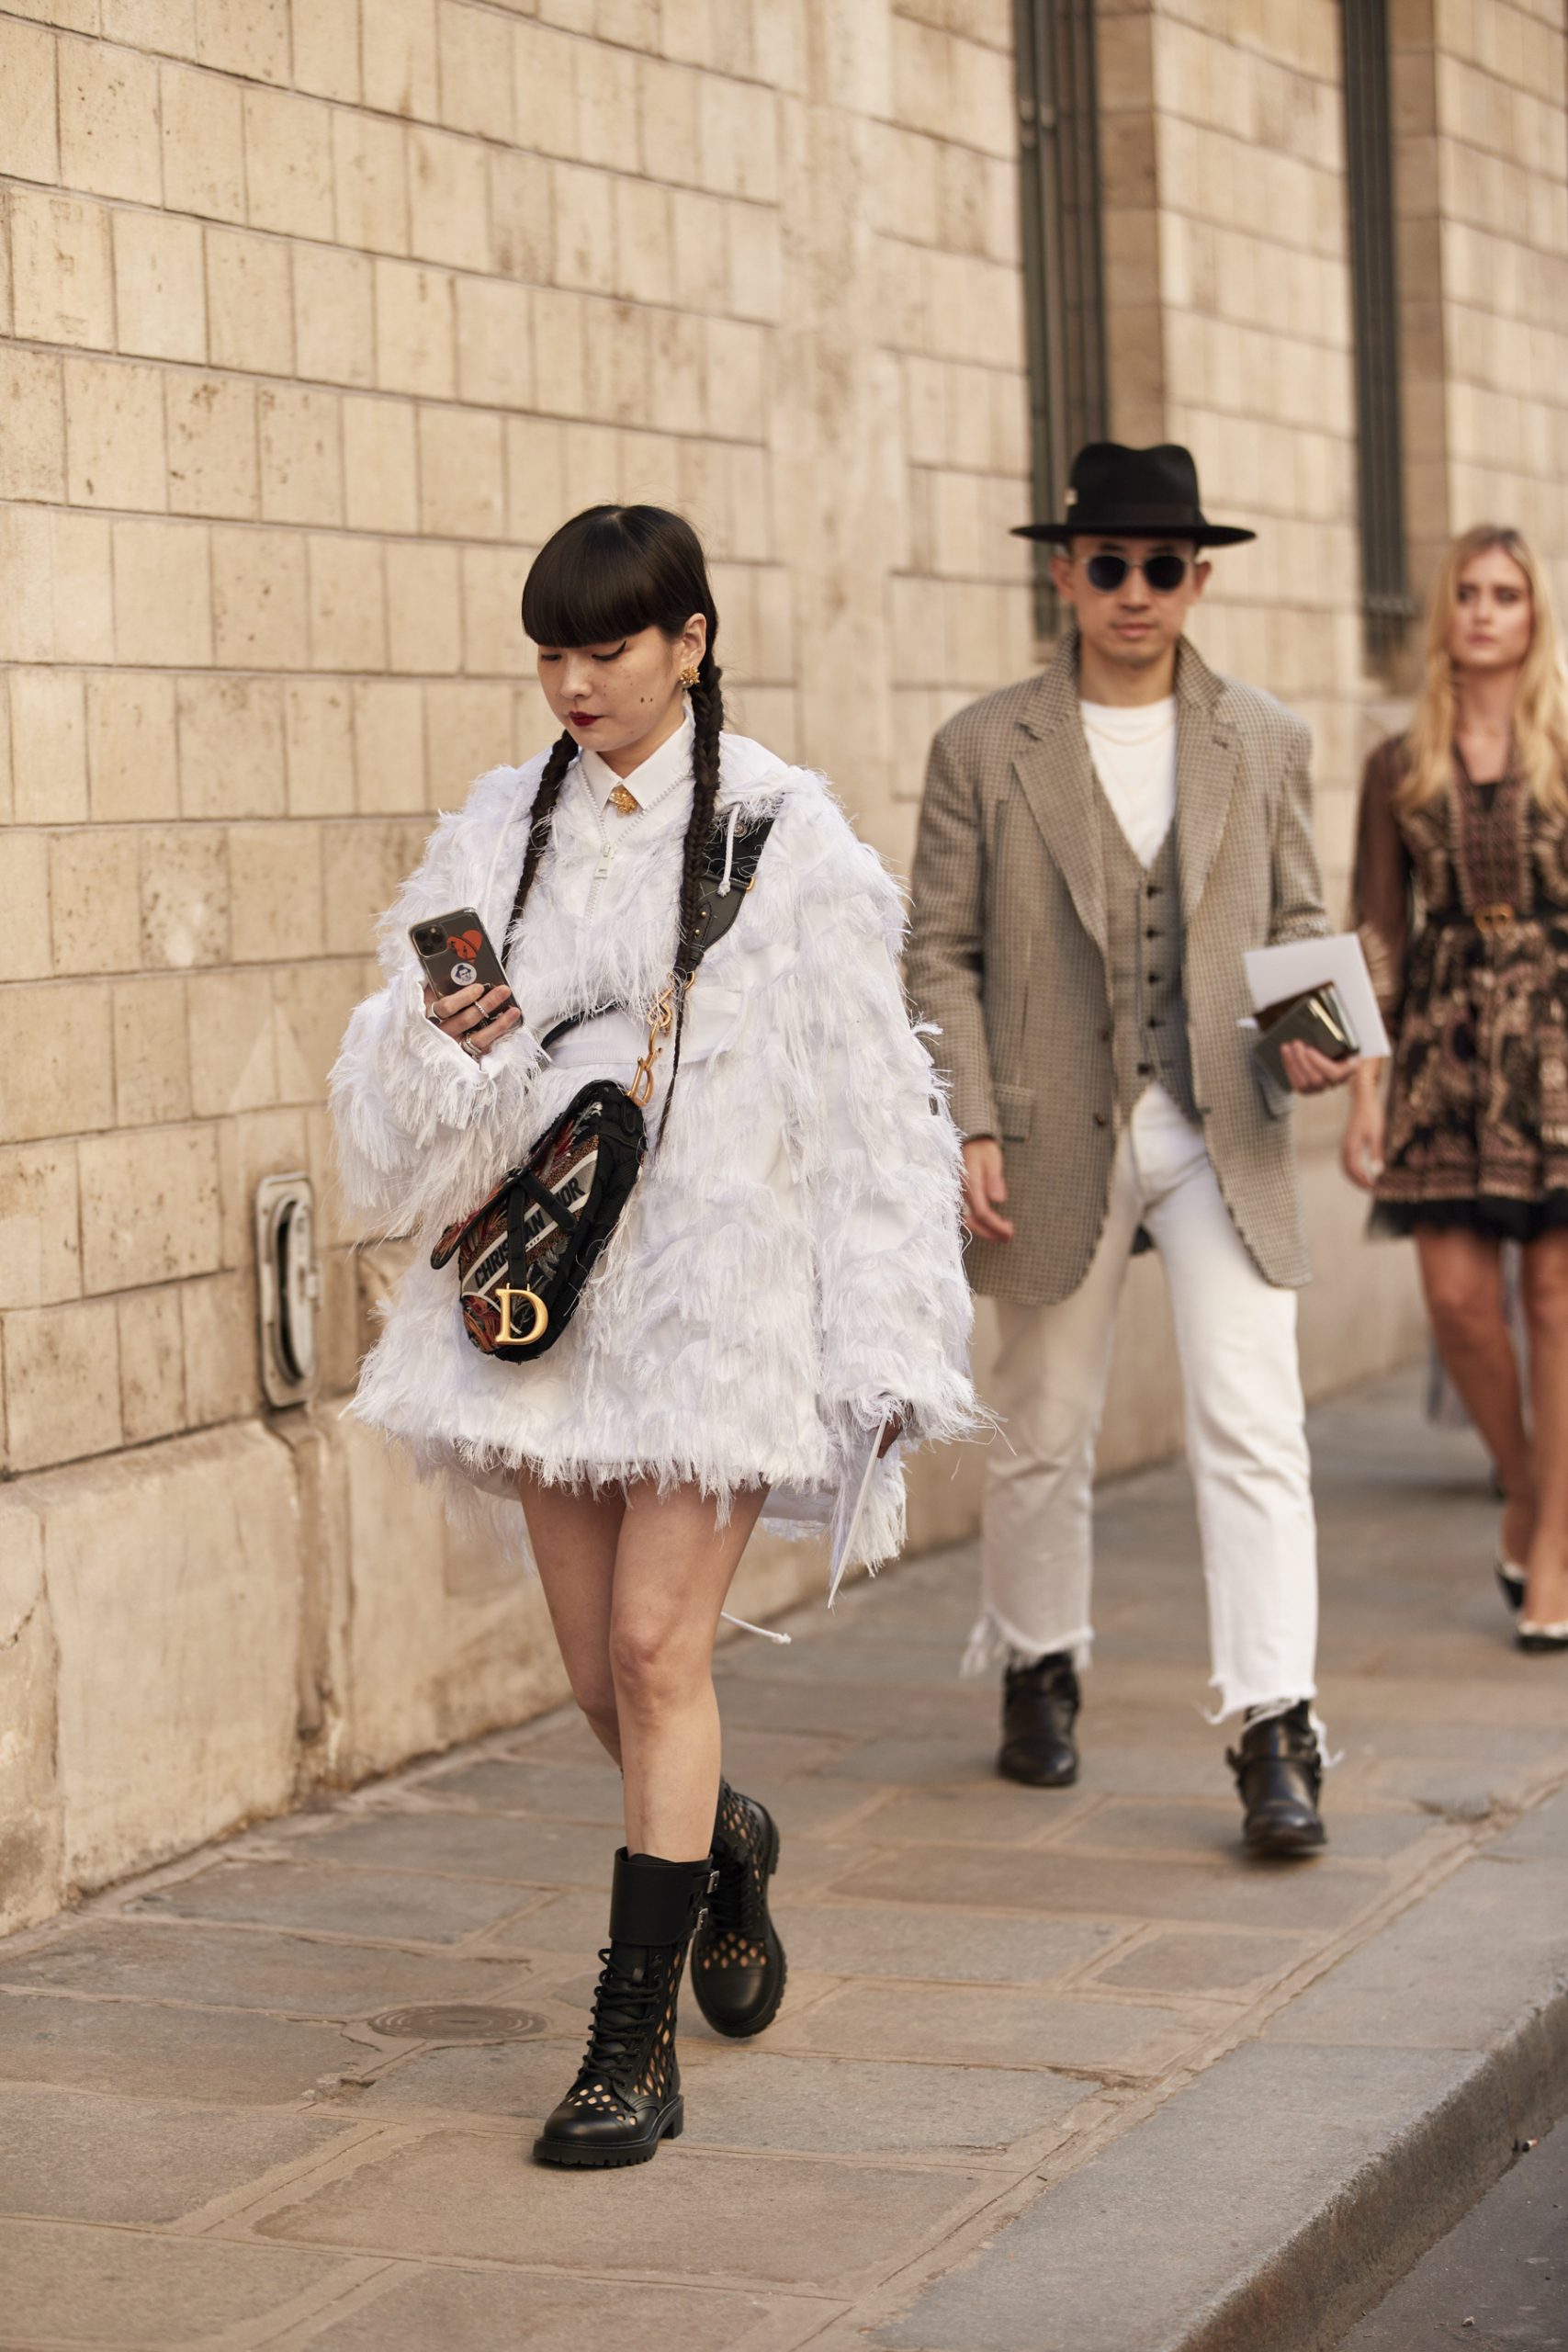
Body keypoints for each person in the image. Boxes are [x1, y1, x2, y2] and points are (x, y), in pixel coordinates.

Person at [331, 505, 974, 2165]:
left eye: (604, 648)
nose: (572, 682)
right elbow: (404, 1131)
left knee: (650, 1654)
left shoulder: (789, 834)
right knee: (598, 1688)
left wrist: (885, 1334)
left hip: (724, 1304)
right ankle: (724, 1837)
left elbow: (872, 1101)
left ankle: (629, 2051)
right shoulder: (502, 826)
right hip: (550, 1306)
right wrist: (446, 1047)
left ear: (688, 640)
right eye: (549, 651)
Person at [907, 442, 1353, 1857]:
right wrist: (965, 1114)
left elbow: (1296, 926)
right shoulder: (982, 746)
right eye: (1108, 564)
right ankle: (1038, 1661)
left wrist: (1316, 1032)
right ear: (1063, 573)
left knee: (1253, 1421)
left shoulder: (1266, 738)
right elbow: (937, 954)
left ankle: (1274, 1729)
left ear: (1197, 578)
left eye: (1163, 567)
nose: (1135, 591)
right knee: (1042, 1419)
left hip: (1220, 1114)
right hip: (1050, 1124)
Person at [1342, 523, 1568, 1654]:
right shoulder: (1399, 761)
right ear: (1447, 615)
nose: (1485, 611)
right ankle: (1527, 1484)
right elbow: (1375, 931)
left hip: (1561, 1033)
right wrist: (1366, 1092)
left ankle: (1556, 1545)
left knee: (1556, 1303)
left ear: (1534, 617)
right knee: (1461, 1303)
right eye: (1469, 593)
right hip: (1442, 1043)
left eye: (1508, 595)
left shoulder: (1566, 746)